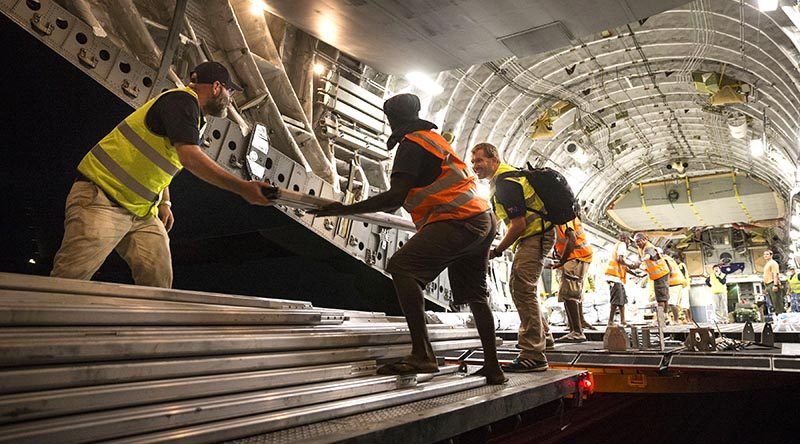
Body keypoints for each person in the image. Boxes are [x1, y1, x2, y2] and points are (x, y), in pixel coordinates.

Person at [311, 94, 506, 384]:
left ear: (392, 120)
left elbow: (393, 198)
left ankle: (422, 354)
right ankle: (493, 367)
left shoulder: (410, 146)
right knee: (476, 296)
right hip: (480, 220)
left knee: (402, 268)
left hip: (458, 220)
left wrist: (344, 210)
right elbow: (403, 200)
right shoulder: (433, 140)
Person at [51, 62, 273, 288]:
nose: (231, 99)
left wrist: (165, 201)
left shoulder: (192, 115)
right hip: (101, 200)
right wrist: (243, 188)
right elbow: (189, 157)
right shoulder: (182, 101)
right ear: (216, 87)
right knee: (67, 284)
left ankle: (150, 323)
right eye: (230, 91)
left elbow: (163, 161)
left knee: (158, 285)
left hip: (141, 211)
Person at [470, 142, 553, 372]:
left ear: (494, 159)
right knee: (524, 288)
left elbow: (518, 224)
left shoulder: (506, 183)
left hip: (535, 235)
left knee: (522, 289)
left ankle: (533, 354)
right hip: (534, 235)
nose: (475, 166)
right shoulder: (503, 181)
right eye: (473, 162)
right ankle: (545, 337)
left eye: (479, 160)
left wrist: (497, 251)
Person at [550, 214, 593, 342]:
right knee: (572, 293)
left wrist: (562, 260)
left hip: (576, 256)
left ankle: (577, 332)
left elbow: (572, 238)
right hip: (578, 256)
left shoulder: (562, 215)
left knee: (569, 293)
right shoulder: (565, 214)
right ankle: (576, 327)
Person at [633, 233, 671, 327]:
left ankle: (660, 320)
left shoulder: (648, 247)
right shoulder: (641, 248)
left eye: (638, 241)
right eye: (635, 242)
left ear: (645, 239)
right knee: (664, 297)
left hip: (660, 274)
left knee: (661, 299)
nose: (637, 243)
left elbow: (648, 255)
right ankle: (665, 318)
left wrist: (641, 260)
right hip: (660, 273)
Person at [605, 233, 636, 326]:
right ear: (624, 239)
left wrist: (635, 274)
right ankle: (610, 322)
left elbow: (623, 266)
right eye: (629, 241)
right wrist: (631, 265)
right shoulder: (622, 245)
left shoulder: (618, 246)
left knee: (622, 300)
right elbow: (620, 259)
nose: (629, 243)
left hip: (618, 278)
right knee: (616, 300)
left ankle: (623, 321)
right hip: (614, 277)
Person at [665, 255, 688, 324]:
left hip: (675, 284)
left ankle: (676, 320)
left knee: (672, 303)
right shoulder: (671, 261)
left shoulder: (666, 261)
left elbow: (669, 272)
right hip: (679, 284)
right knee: (675, 304)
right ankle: (674, 319)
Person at [762, 250, 783, 317]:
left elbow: (775, 274)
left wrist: (775, 285)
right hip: (768, 285)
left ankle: (781, 316)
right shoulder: (767, 264)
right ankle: (778, 316)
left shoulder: (773, 263)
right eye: (764, 254)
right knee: (773, 302)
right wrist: (766, 287)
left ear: (771, 255)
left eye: (767, 254)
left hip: (772, 283)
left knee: (777, 302)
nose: (765, 255)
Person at [675, 255, 694, 324]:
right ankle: (688, 319)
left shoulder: (681, 266)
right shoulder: (681, 265)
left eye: (675, 259)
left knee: (685, 304)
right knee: (684, 304)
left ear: (678, 259)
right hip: (683, 286)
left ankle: (688, 319)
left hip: (683, 286)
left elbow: (681, 275)